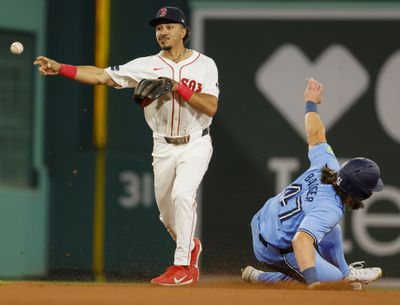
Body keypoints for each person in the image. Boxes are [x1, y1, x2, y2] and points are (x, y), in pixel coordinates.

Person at [34, 6, 219, 286]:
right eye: (159, 27)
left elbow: (211, 106)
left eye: (169, 26)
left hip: (195, 142)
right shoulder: (146, 65)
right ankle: (189, 245)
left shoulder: (205, 64)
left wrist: (179, 88)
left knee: (183, 196)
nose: (163, 31)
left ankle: (183, 267)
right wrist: (62, 69)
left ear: (184, 31)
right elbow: (101, 76)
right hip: (163, 146)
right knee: (168, 216)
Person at [241, 78, 383, 289]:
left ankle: (346, 272)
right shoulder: (330, 208)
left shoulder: (328, 165)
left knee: (332, 232)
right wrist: (313, 283)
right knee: (337, 285)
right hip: (273, 247)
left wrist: (310, 102)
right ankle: (263, 277)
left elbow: (315, 134)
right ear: (361, 193)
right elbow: (300, 241)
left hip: (263, 219)